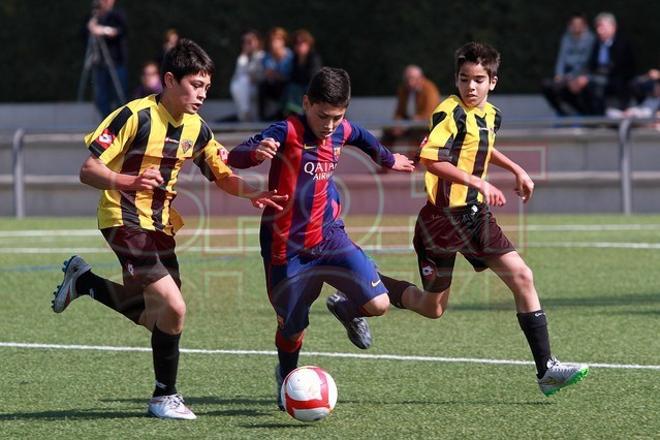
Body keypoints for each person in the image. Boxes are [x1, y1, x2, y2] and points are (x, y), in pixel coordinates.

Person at [51, 39, 287, 420]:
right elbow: (88, 170)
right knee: (175, 307)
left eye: (207, 88)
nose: (202, 95)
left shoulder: (197, 129)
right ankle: (165, 397)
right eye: (196, 85)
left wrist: (254, 193)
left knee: (161, 317)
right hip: (124, 219)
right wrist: (129, 182)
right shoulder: (133, 116)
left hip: (160, 228)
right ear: (169, 80)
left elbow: (222, 176)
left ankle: (85, 283)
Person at [378, 42, 589, 397]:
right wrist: (477, 180)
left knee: (520, 276)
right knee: (434, 308)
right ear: (456, 80)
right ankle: (366, 279)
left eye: (478, 80)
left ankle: (546, 370)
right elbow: (431, 159)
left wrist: (516, 168)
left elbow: (482, 147)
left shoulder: (492, 114)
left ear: (493, 81)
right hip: (441, 219)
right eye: (464, 79)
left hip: (474, 216)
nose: (470, 87)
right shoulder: (448, 112)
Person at [227, 67, 415, 409]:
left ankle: (346, 306)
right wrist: (255, 153)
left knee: (380, 304)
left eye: (337, 116)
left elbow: (362, 136)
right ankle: (287, 380)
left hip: (329, 236)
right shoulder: (285, 130)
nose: (329, 124)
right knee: (292, 327)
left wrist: (388, 159)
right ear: (306, 103)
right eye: (322, 115)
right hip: (286, 249)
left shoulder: (340, 129)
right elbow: (234, 156)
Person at [570, 12, 635, 115]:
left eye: (602, 27)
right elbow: (590, 64)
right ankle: (587, 115)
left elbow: (620, 69)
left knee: (593, 84)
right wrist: (581, 77)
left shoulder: (622, 43)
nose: (599, 31)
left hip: (615, 78)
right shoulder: (596, 43)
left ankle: (599, 115)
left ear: (613, 27)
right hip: (597, 76)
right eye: (598, 27)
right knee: (577, 84)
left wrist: (590, 78)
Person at [380, 65, 440, 162]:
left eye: (412, 79)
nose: (409, 82)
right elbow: (399, 111)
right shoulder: (403, 89)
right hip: (406, 123)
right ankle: (385, 162)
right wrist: (397, 124)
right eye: (407, 79)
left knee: (417, 136)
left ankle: (414, 163)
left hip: (424, 126)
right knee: (387, 134)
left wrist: (411, 123)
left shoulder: (429, 89)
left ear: (420, 78)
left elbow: (430, 113)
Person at [541, 14, 595, 115]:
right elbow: (561, 59)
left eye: (579, 24)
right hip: (567, 77)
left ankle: (584, 113)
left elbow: (585, 62)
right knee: (548, 86)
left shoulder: (591, 39)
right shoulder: (566, 38)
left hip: (583, 76)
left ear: (584, 26)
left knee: (581, 90)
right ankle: (561, 112)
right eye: (574, 24)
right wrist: (559, 75)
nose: (576, 27)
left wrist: (573, 77)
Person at [85, 0, 128, 117]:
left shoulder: (118, 15)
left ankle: (121, 123)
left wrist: (103, 30)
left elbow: (121, 31)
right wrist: (92, 25)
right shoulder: (95, 16)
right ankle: (107, 122)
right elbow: (85, 33)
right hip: (100, 64)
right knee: (101, 97)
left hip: (116, 62)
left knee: (119, 95)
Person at [283, 29, 323, 115]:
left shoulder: (314, 58)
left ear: (308, 44)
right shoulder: (294, 59)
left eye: (302, 43)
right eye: (296, 43)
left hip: (311, 87)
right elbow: (292, 77)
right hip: (298, 88)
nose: (299, 46)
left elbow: (313, 77)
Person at [259, 27, 294, 120]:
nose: (274, 43)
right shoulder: (267, 56)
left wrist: (277, 75)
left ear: (283, 41)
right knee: (262, 86)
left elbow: (289, 75)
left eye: (277, 39)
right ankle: (263, 116)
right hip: (272, 85)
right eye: (272, 40)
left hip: (285, 85)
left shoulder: (290, 56)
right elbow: (267, 73)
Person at [230, 30, 265, 122]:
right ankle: (245, 111)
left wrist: (253, 77)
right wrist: (244, 55)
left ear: (257, 42)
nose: (247, 45)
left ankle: (245, 112)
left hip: (257, 86)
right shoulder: (242, 58)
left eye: (250, 42)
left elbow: (261, 75)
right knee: (240, 83)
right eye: (245, 42)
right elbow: (238, 75)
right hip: (244, 88)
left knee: (242, 82)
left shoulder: (262, 56)